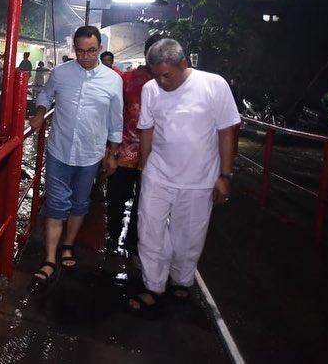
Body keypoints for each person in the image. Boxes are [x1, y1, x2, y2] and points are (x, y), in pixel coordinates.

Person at [127, 38, 240, 316]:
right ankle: (154, 285)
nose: (162, 81)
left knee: (189, 235)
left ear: (184, 63)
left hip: (200, 178)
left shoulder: (214, 85)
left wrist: (225, 175)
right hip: (158, 173)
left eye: (168, 74)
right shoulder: (151, 89)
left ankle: (181, 279)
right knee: (149, 231)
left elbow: (226, 131)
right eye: (157, 75)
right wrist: (143, 168)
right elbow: (147, 130)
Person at [29, 26, 123, 287]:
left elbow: (116, 121)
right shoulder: (61, 73)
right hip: (59, 149)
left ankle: (68, 245)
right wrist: (39, 112)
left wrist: (112, 154)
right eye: (80, 51)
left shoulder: (113, 80)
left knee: (80, 203)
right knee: (57, 203)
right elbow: (46, 95)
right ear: (74, 50)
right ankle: (49, 259)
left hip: (90, 154)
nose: (85, 57)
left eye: (91, 51)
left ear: (100, 49)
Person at [105, 34, 165, 265]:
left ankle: (134, 244)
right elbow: (113, 116)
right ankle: (112, 237)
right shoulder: (127, 79)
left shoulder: (171, 83)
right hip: (124, 152)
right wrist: (109, 151)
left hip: (158, 158)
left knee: (147, 204)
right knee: (116, 198)